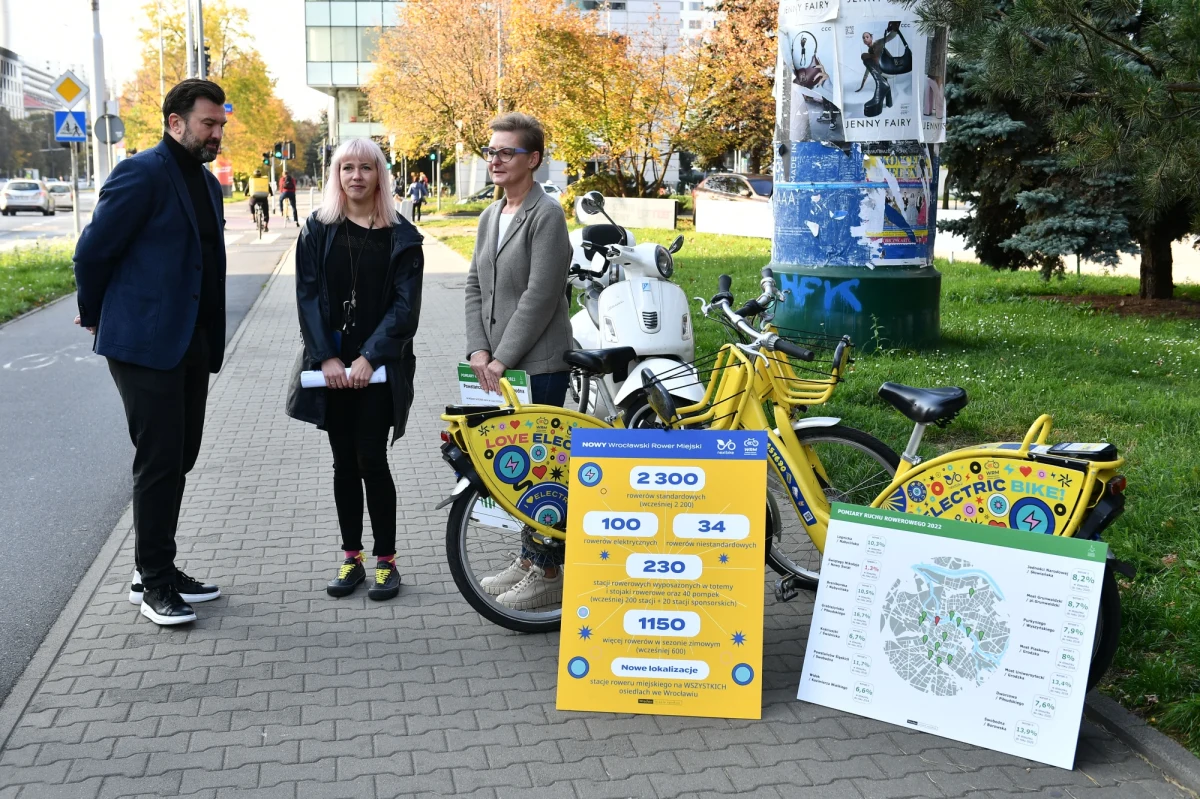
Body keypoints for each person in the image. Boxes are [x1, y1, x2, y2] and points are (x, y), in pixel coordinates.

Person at [72, 78, 229, 626]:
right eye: (208, 124)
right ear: (175, 122)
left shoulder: (207, 184)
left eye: (220, 125)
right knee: (160, 460)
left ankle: (154, 565)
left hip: (191, 341)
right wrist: (93, 311)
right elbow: (92, 252)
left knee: (180, 457)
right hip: (144, 342)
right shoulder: (139, 173)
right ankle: (155, 584)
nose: (216, 134)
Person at [285, 138, 424, 601]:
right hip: (332, 369)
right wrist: (326, 357)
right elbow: (307, 297)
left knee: (372, 459)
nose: (357, 176)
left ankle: (386, 561)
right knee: (343, 463)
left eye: (366, 167)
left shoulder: (402, 237)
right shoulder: (317, 229)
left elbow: (406, 309)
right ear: (336, 175)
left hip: (379, 370)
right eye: (347, 168)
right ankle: (351, 559)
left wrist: (370, 357)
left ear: (380, 175)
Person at [464, 112, 572, 610]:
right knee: (517, 471)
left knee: (541, 472)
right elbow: (472, 286)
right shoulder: (491, 215)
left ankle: (550, 570)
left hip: (538, 366)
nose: (495, 160)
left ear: (533, 159)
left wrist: (501, 358)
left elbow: (540, 296)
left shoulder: (546, 214)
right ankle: (530, 557)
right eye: (491, 151)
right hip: (499, 366)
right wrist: (478, 351)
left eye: (506, 152)